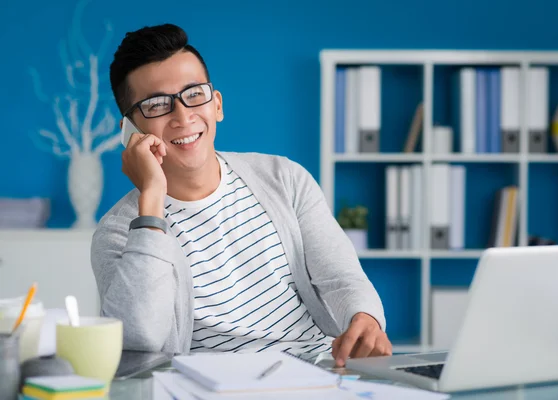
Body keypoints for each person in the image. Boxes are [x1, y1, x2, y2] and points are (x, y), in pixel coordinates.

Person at [91, 23, 392, 367]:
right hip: (207, 386)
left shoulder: (285, 179)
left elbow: (341, 279)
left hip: (317, 372)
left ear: (216, 104)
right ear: (130, 131)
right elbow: (139, 339)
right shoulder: (118, 233)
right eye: (157, 105)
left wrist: (364, 318)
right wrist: (152, 198)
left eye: (194, 95)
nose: (183, 116)